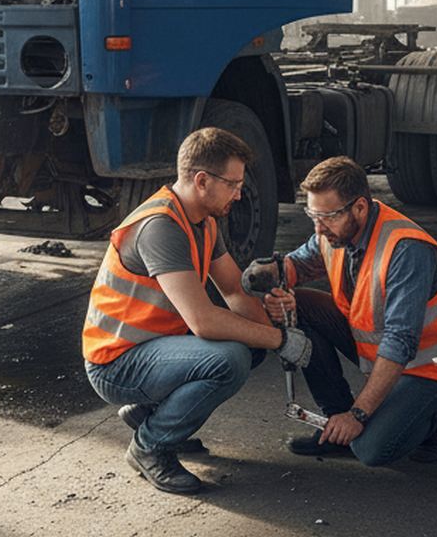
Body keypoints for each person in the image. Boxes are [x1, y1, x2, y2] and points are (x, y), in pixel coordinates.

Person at [82, 127, 312, 494]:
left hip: (154, 346)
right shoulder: (160, 227)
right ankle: (150, 445)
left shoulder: (205, 220)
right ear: (202, 180)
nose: (240, 193)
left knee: (248, 345)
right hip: (116, 362)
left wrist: (275, 331)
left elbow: (235, 290)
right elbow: (203, 321)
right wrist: (279, 339)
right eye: (233, 184)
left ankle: (150, 415)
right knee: (230, 359)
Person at [249, 156, 437, 467]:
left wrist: (359, 414)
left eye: (327, 216)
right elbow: (297, 264)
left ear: (360, 208)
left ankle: (430, 425)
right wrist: (267, 275)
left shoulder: (406, 250)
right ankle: (335, 424)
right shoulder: (333, 232)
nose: (318, 227)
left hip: (434, 366)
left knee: (372, 450)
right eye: (312, 214)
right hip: (383, 350)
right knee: (302, 305)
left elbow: (401, 342)